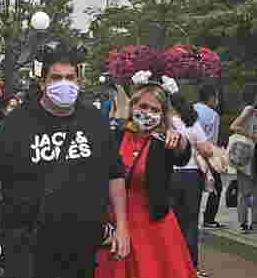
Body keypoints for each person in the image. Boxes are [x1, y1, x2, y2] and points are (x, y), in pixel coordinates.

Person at [0, 41, 130, 278]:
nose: (64, 84)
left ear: (78, 81)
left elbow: (115, 175)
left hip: (79, 246)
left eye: (70, 77)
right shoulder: (18, 122)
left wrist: (122, 227)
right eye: (56, 78)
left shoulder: (94, 121)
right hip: (28, 244)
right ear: (43, 82)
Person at [95, 73, 194, 278]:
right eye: (143, 107)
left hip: (153, 224)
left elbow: (182, 155)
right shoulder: (116, 135)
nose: (147, 113)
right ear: (132, 107)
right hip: (115, 220)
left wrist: (178, 138)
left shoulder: (164, 141)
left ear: (163, 114)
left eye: (155, 110)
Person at [169, 91, 214, 275]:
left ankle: (173, 265)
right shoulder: (191, 122)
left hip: (170, 175)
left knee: (173, 221)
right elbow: (207, 150)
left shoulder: (165, 123)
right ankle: (191, 267)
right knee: (191, 222)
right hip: (191, 175)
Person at [195, 84, 224, 228]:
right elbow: (212, 141)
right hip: (205, 155)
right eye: (216, 97)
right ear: (211, 97)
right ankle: (209, 219)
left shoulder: (190, 109)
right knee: (217, 186)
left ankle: (191, 217)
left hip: (189, 155)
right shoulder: (213, 115)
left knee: (194, 188)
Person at [230, 93, 257, 232]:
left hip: (253, 155)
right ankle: (243, 222)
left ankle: (254, 223)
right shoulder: (249, 110)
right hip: (246, 154)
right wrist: (251, 136)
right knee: (245, 191)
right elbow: (234, 126)